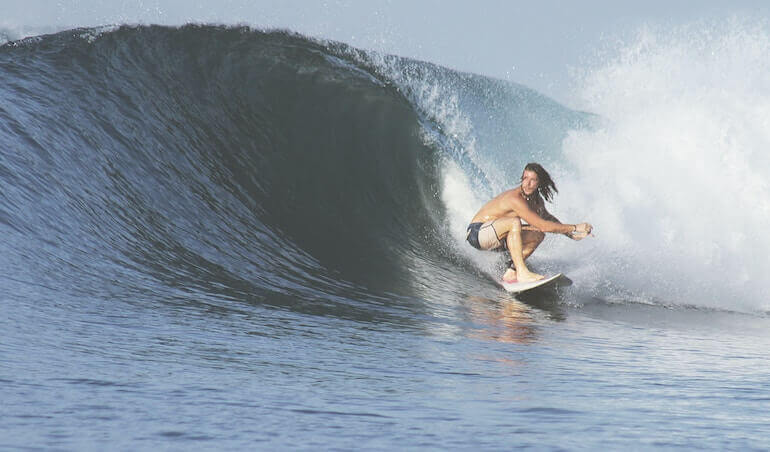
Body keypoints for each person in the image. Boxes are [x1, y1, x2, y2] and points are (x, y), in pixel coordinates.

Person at [466, 163, 592, 283]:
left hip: (497, 239)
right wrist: (576, 226)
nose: (527, 183)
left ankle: (512, 271)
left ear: (539, 182)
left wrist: (571, 234)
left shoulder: (536, 200)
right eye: (525, 178)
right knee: (515, 223)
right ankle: (522, 272)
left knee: (538, 234)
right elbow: (543, 226)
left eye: (533, 180)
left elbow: (547, 219)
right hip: (477, 233)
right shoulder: (515, 199)